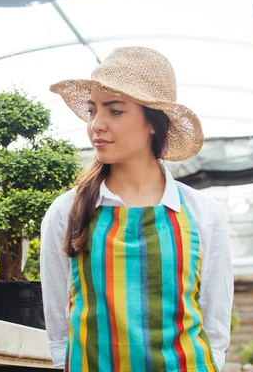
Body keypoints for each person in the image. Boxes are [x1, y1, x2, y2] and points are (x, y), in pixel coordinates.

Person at [40, 47, 233, 372]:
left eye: (114, 111)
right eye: (92, 111)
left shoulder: (203, 213)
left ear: (153, 123)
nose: (96, 125)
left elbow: (215, 326)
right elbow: (60, 330)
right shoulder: (67, 212)